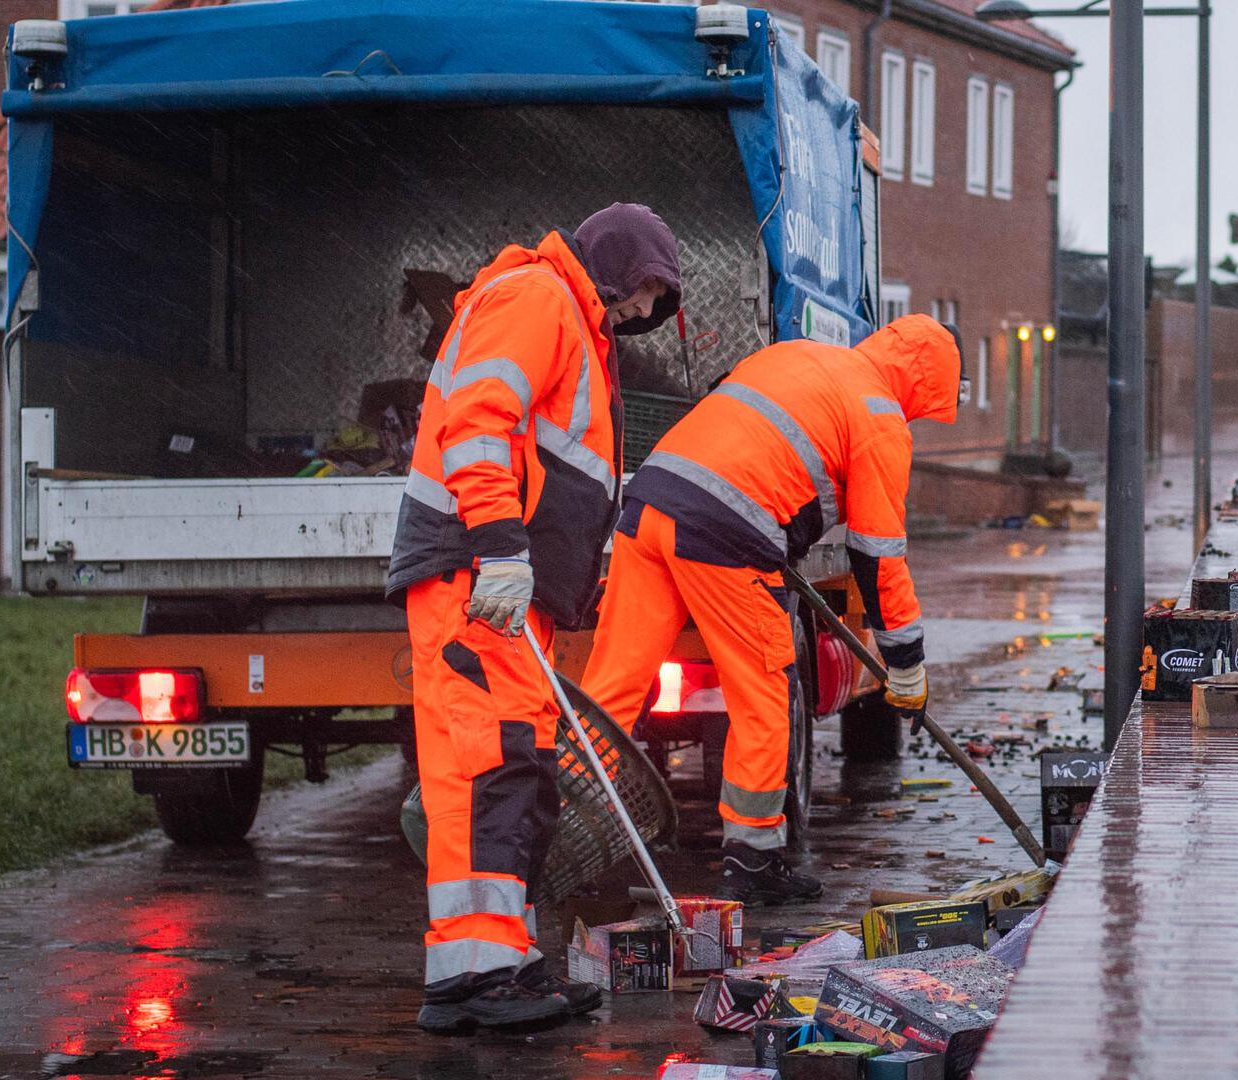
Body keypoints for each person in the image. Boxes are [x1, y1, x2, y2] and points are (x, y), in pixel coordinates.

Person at [386, 203, 682, 1035]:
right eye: (643, 292)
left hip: (483, 581)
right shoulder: (539, 300)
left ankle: (481, 967)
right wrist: (503, 550)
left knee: (476, 779)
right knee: (503, 770)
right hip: (481, 578)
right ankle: (486, 972)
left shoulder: (558, 312)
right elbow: (478, 424)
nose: (639, 313)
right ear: (617, 268)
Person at [582, 314, 962, 904]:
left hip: (649, 504)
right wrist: (907, 667)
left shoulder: (802, 357)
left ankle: (568, 823)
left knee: (611, 686)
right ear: (923, 385)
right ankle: (753, 860)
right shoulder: (881, 418)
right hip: (724, 535)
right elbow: (878, 555)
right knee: (762, 695)